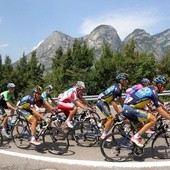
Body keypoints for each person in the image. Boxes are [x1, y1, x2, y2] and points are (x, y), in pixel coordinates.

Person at [122, 75, 170, 147]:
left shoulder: (149, 88)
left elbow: (158, 104)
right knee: (153, 119)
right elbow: (161, 112)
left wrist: (166, 111)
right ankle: (135, 137)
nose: (164, 88)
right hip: (130, 109)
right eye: (164, 86)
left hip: (127, 108)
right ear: (159, 85)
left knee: (141, 130)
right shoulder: (153, 93)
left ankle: (136, 148)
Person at [96, 73, 129, 140]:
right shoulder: (117, 89)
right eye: (125, 80)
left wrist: (125, 109)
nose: (127, 81)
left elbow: (120, 100)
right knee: (110, 119)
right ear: (121, 81)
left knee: (110, 118)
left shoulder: (119, 87)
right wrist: (119, 112)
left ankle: (99, 124)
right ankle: (104, 135)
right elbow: (113, 102)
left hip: (104, 102)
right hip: (101, 101)